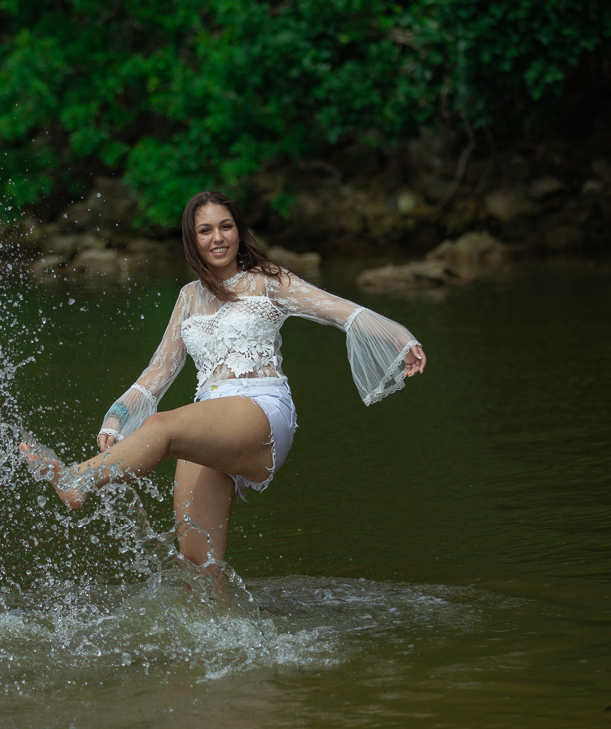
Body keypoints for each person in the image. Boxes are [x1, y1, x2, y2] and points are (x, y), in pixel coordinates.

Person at [21, 190, 425, 569]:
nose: (218, 238)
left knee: (161, 427)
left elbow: (341, 310)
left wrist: (400, 337)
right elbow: (156, 373)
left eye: (226, 226)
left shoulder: (268, 281)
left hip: (261, 411)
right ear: (192, 240)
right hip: (208, 423)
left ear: (238, 230)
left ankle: (78, 481)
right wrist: (114, 417)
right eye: (205, 230)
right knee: (198, 567)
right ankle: (229, 640)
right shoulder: (188, 297)